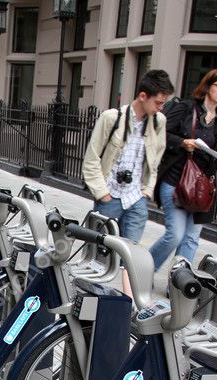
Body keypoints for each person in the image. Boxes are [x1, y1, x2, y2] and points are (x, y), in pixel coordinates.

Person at [151, 68, 217, 271]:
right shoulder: (186, 109)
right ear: (207, 86)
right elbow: (160, 135)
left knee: (191, 238)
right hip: (176, 181)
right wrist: (182, 142)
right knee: (175, 235)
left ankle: (178, 284)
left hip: (203, 189)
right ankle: (143, 269)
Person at [83, 69, 173, 248]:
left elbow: (156, 160)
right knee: (99, 257)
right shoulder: (111, 118)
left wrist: (146, 191)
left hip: (136, 198)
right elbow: (91, 159)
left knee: (131, 257)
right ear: (142, 96)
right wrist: (103, 194)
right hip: (110, 196)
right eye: (158, 103)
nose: (161, 107)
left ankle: (128, 277)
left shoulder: (158, 121)